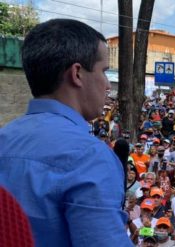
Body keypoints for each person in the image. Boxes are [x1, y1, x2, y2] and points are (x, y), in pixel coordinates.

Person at [0, 19, 133, 246]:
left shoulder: (4, 138)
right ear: (77, 73)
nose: (108, 85)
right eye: (104, 71)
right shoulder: (90, 157)